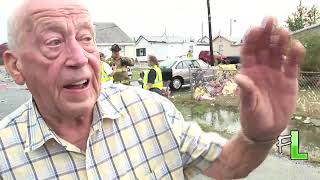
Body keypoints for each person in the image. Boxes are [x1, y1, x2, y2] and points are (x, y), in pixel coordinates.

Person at [0, 0, 305, 179]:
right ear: (16, 67)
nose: (79, 58)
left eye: (86, 38)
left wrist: (259, 137)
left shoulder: (153, 112)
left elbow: (227, 164)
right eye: (54, 42)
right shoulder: (6, 156)